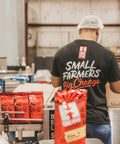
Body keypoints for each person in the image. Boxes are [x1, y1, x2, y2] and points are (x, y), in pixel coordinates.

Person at [51, 15, 120, 144]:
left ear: (79, 30)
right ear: (98, 31)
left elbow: (55, 83)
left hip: (71, 119)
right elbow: (117, 88)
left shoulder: (61, 53)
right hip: (98, 120)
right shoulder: (108, 55)